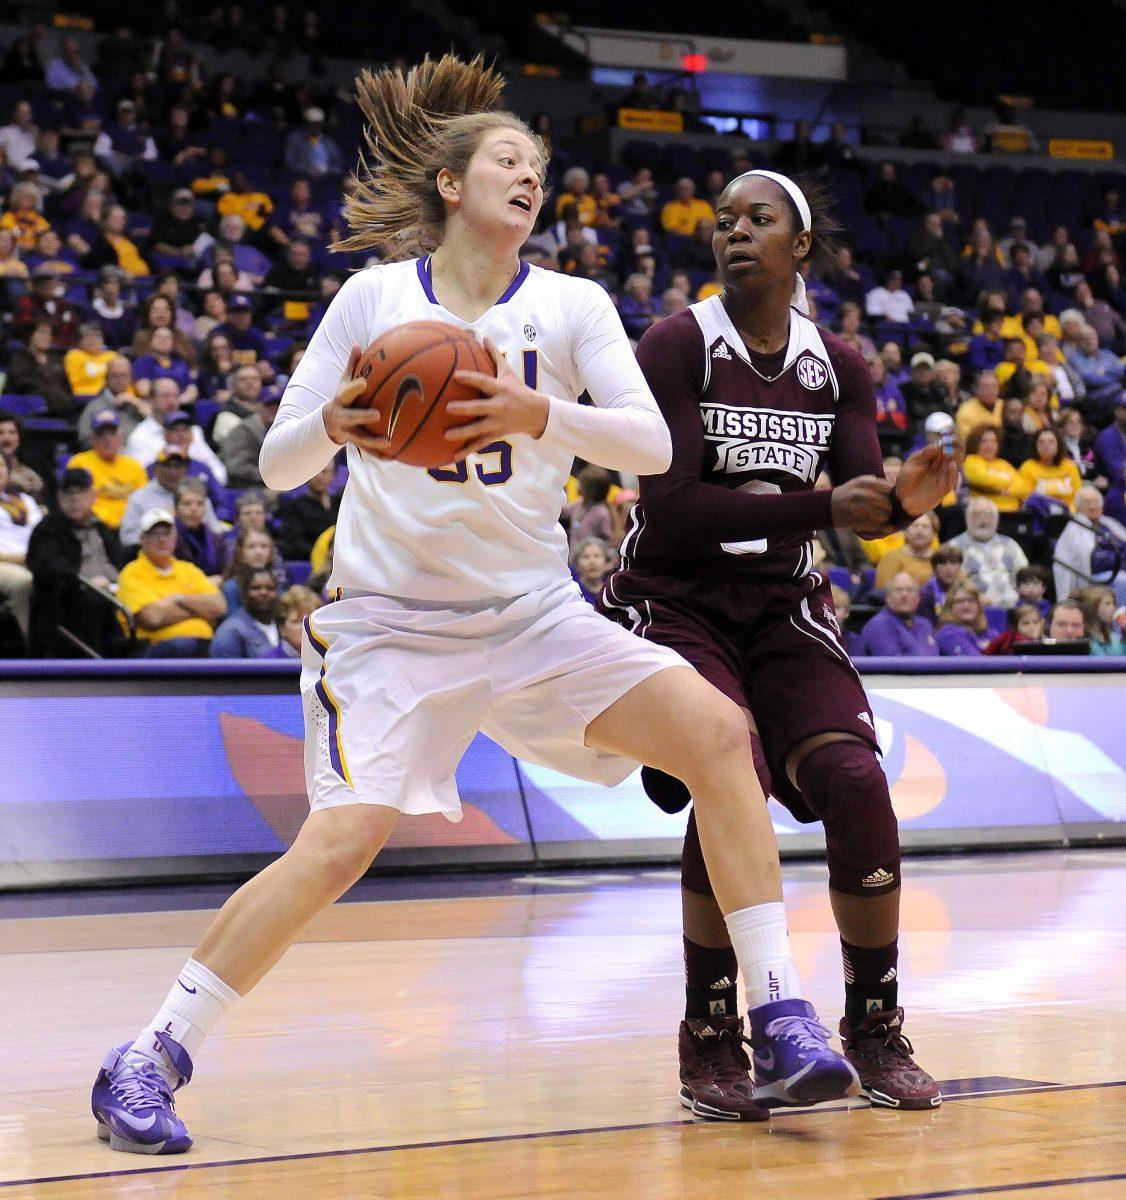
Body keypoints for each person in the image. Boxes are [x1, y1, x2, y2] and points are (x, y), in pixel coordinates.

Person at [91, 56, 864, 1156]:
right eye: (508, 158)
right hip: (390, 628)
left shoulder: (571, 304)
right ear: (451, 184)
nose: (530, 176)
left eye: (539, 166)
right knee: (339, 845)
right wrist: (342, 426)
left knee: (714, 731)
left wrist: (538, 410)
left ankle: (780, 1010)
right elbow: (272, 464)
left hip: (532, 617)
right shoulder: (374, 301)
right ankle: (149, 1057)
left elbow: (650, 446)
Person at [601, 167, 954, 1122]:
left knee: (855, 781)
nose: (734, 231)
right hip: (672, 598)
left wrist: (906, 506)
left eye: (758, 219)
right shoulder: (676, 344)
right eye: (723, 220)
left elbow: (863, 501)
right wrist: (826, 506)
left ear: (799, 245)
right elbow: (668, 511)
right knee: (733, 778)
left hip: (783, 602)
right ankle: (713, 1034)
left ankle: (874, 1025)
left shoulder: (839, 363)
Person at [26, 466, 129, 656]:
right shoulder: (48, 530)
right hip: (70, 601)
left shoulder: (103, 529)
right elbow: (48, 566)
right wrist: (84, 583)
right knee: (95, 602)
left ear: (93, 495)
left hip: (114, 593)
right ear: (59, 497)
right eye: (68, 493)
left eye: (80, 492)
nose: (74, 499)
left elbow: (122, 563)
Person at [116, 509, 227, 657]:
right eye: (155, 534)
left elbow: (219, 606)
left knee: (225, 645)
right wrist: (199, 611)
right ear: (142, 538)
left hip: (203, 642)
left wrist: (178, 599)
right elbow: (153, 618)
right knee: (185, 646)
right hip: (155, 648)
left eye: (166, 533)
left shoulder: (188, 569)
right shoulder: (131, 573)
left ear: (175, 537)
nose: (162, 539)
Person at [66, 412, 149, 529]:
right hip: (95, 526)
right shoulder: (79, 463)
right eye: (101, 434)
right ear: (92, 438)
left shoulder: (134, 465)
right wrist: (110, 520)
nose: (107, 439)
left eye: (112, 433)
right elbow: (79, 502)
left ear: (120, 437)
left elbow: (143, 501)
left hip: (132, 527)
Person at [1053, 485, 1126, 603]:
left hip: (1117, 570)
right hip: (1091, 577)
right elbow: (1094, 562)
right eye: (1087, 502)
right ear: (1078, 507)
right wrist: (1120, 558)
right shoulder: (1075, 529)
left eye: (1096, 501)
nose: (1093, 506)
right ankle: (1120, 620)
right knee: (1123, 581)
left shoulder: (1109, 524)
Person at [951, 497, 1028, 608]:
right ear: (967, 519)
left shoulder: (1010, 545)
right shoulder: (954, 547)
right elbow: (950, 584)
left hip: (1012, 610)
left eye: (988, 514)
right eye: (976, 514)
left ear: (997, 520)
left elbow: (1024, 576)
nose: (982, 519)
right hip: (974, 609)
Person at [0, 454, 42, 645]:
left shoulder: (25, 500)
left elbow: (41, 534)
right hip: (5, 563)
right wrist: (21, 559)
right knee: (24, 581)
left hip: (30, 560)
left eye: (1, 465)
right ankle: (26, 647)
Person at [855, 572, 939, 656]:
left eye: (910, 590)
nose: (904, 595)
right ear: (887, 597)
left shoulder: (925, 624)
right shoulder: (878, 626)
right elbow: (894, 667)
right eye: (898, 590)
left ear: (918, 598)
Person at [209, 568, 281, 658]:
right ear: (244, 593)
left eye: (270, 588)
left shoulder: (285, 625)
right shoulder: (230, 632)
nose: (263, 592)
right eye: (256, 588)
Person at [276, 462, 340, 560]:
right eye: (315, 471)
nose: (319, 476)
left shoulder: (340, 503)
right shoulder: (296, 506)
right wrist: (322, 553)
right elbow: (294, 542)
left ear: (333, 475)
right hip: (309, 560)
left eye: (324, 471)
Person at [962, 425, 1032, 513]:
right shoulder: (971, 460)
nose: (989, 446)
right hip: (986, 514)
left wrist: (1001, 489)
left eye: (993, 442)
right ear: (975, 443)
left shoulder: (1003, 463)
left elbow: (1024, 488)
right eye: (984, 441)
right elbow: (983, 479)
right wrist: (1008, 482)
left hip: (1013, 513)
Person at [174, 479, 226, 580]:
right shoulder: (169, 539)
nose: (194, 509)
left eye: (200, 503)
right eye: (187, 503)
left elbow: (224, 571)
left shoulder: (216, 539)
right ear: (176, 508)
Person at [1018, 428, 1082, 510]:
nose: (1046, 445)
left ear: (1058, 445)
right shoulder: (1028, 467)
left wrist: (1070, 512)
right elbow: (1025, 497)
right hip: (1040, 514)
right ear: (1035, 446)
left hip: (1069, 514)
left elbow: (1078, 495)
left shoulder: (1070, 466)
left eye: (1051, 442)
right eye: (1041, 442)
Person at [874, 512, 937, 589]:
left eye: (925, 527)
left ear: (934, 533)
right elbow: (883, 590)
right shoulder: (892, 557)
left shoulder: (939, 558)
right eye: (914, 526)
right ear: (906, 532)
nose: (919, 530)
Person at [935, 580, 991, 655]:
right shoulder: (949, 633)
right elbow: (976, 664)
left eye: (971, 600)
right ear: (950, 607)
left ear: (978, 605)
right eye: (960, 601)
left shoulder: (990, 633)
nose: (966, 606)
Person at [919, 543, 966, 620]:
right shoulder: (925, 594)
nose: (949, 569)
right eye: (943, 563)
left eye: (953, 563)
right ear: (934, 569)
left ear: (960, 567)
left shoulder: (966, 591)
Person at [570, 536, 611, 605]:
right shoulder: (573, 591)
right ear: (577, 564)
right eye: (586, 557)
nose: (592, 561)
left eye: (597, 556)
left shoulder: (612, 590)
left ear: (606, 562)